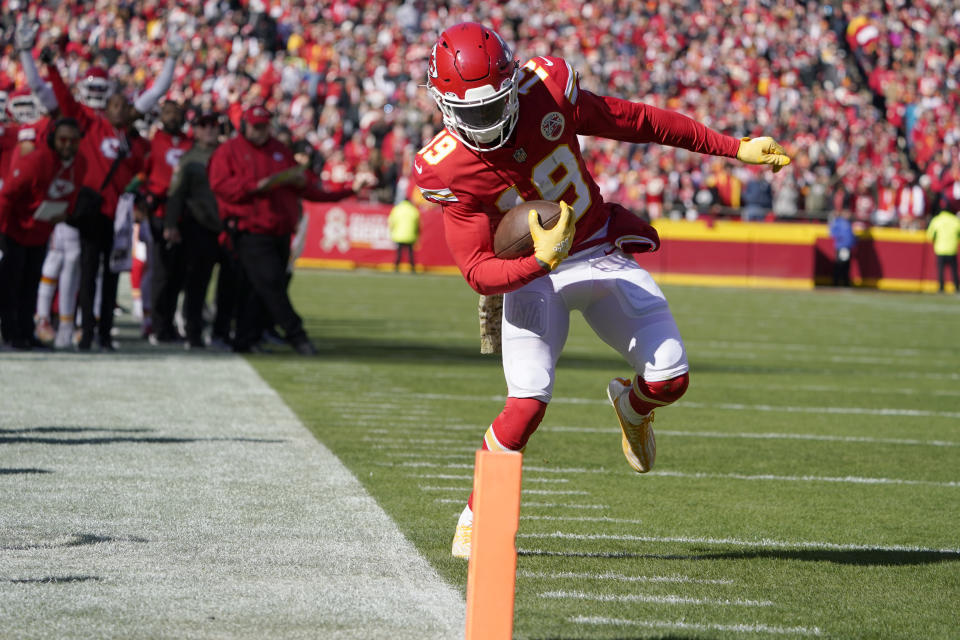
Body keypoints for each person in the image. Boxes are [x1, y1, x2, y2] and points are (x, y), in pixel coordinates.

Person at [414, 23, 791, 559]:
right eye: (471, 114)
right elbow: (476, 269)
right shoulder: (447, 166)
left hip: (597, 248)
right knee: (526, 403)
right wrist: (537, 261)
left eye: (494, 104)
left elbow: (637, 121)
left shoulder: (547, 91)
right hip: (534, 274)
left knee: (670, 375)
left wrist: (733, 148)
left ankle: (632, 406)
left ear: (514, 80)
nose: (487, 122)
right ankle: (477, 514)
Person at [32, 33, 181, 351]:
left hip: (120, 217)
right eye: (114, 104)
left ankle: (102, 332)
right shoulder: (88, 123)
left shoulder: (134, 140)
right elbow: (61, 96)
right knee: (84, 271)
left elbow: (155, 93)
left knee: (112, 276)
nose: (117, 109)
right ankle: (83, 333)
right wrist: (51, 67)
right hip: (92, 212)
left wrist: (172, 59)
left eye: (122, 105)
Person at [208, 103, 362, 355]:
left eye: (264, 126)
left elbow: (308, 187)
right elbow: (221, 186)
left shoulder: (278, 151)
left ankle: (247, 339)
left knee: (257, 288)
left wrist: (346, 191)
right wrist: (258, 185)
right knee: (271, 284)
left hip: (279, 230)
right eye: (256, 127)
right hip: (249, 230)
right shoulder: (229, 151)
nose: (261, 132)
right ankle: (296, 334)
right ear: (245, 125)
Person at [0, 118, 85, 349]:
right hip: (15, 229)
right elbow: (7, 195)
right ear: (52, 139)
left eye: (73, 140)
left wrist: (66, 213)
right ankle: (11, 333)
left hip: (41, 231)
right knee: (11, 284)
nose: (68, 145)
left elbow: (72, 194)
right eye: (63, 139)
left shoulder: (80, 163)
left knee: (31, 285)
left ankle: (28, 332)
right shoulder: (36, 162)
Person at [164, 111, 223, 348]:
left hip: (227, 225)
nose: (209, 130)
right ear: (196, 130)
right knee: (197, 281)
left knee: (229, 281)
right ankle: (193, 331)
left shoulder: (226, 154)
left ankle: (222, 330)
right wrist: (170, 223)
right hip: (200, 225)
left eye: (213, 125)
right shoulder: (189, 159)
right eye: (204, 125)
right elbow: (175, 194)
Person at [143, 100, 193, 344]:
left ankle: (170, 323)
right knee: (161, 272)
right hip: (160, 214)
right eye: (168, 112)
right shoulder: (152, 143)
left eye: (177, 112)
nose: (172, 117)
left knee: (178, 274)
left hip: (186, 215)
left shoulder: (189, 144)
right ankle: (157, 324)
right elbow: (142, 175)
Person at [926, 208, 960, 294]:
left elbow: (930, 235)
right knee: (954, 270)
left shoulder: (936, 220)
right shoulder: (955, 220)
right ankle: (956, 287)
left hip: (940, 249)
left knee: (940, 270)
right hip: (952, 248)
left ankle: (941, 288)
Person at [388, 198, 420, 272]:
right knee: (410, 253)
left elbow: (391, 222)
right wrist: (417, 235)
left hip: (399, 235)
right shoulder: (414, 210)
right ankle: (412, 268)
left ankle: (396, 267)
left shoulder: (397, 209)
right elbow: (417, 224)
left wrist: (392, 231)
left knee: (399, 253)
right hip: (410, 235)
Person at [828, 210, 856, 287]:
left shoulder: (848, 223)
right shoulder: (839, 222)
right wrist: (841, 240)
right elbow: (832, 232)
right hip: (842, 247)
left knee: (846, 265)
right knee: (840, 265)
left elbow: (851, 236)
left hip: (848, 247)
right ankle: (837, 282)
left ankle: (844, 281)